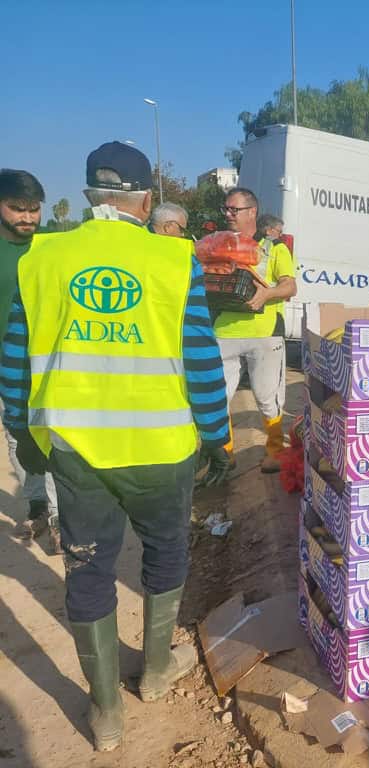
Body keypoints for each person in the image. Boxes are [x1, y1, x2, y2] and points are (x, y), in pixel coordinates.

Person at [0, 141, 231, 752]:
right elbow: (201, 361)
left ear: (87, 196)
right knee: (164, 552)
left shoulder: (42, 258)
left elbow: (16, 362)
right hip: (162, 449)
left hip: (76, 450)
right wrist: (217, 438)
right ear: (145, 199)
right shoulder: (174, 261)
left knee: (88, 567)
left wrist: (24, 436)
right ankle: (155, 674)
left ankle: (105, 714)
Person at [214, 189, 297, 473]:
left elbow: (290, 286)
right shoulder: (217, 246)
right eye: (225, 209)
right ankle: (225, 454)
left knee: (266, 396)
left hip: (264, 334)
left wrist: (267, 294)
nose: (227, 214)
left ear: (252, 212)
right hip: (224, 332)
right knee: (218, 397)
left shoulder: (275, 249)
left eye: (233, 210)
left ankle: (275, 450)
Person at [0, 169, 59, 545]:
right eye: (17, 209)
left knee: (44, 431)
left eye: (33, 209)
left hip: (36, 359)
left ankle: (57, 514)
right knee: (14, 433)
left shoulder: (51, 249)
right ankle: (37, 504)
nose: (27, 217)